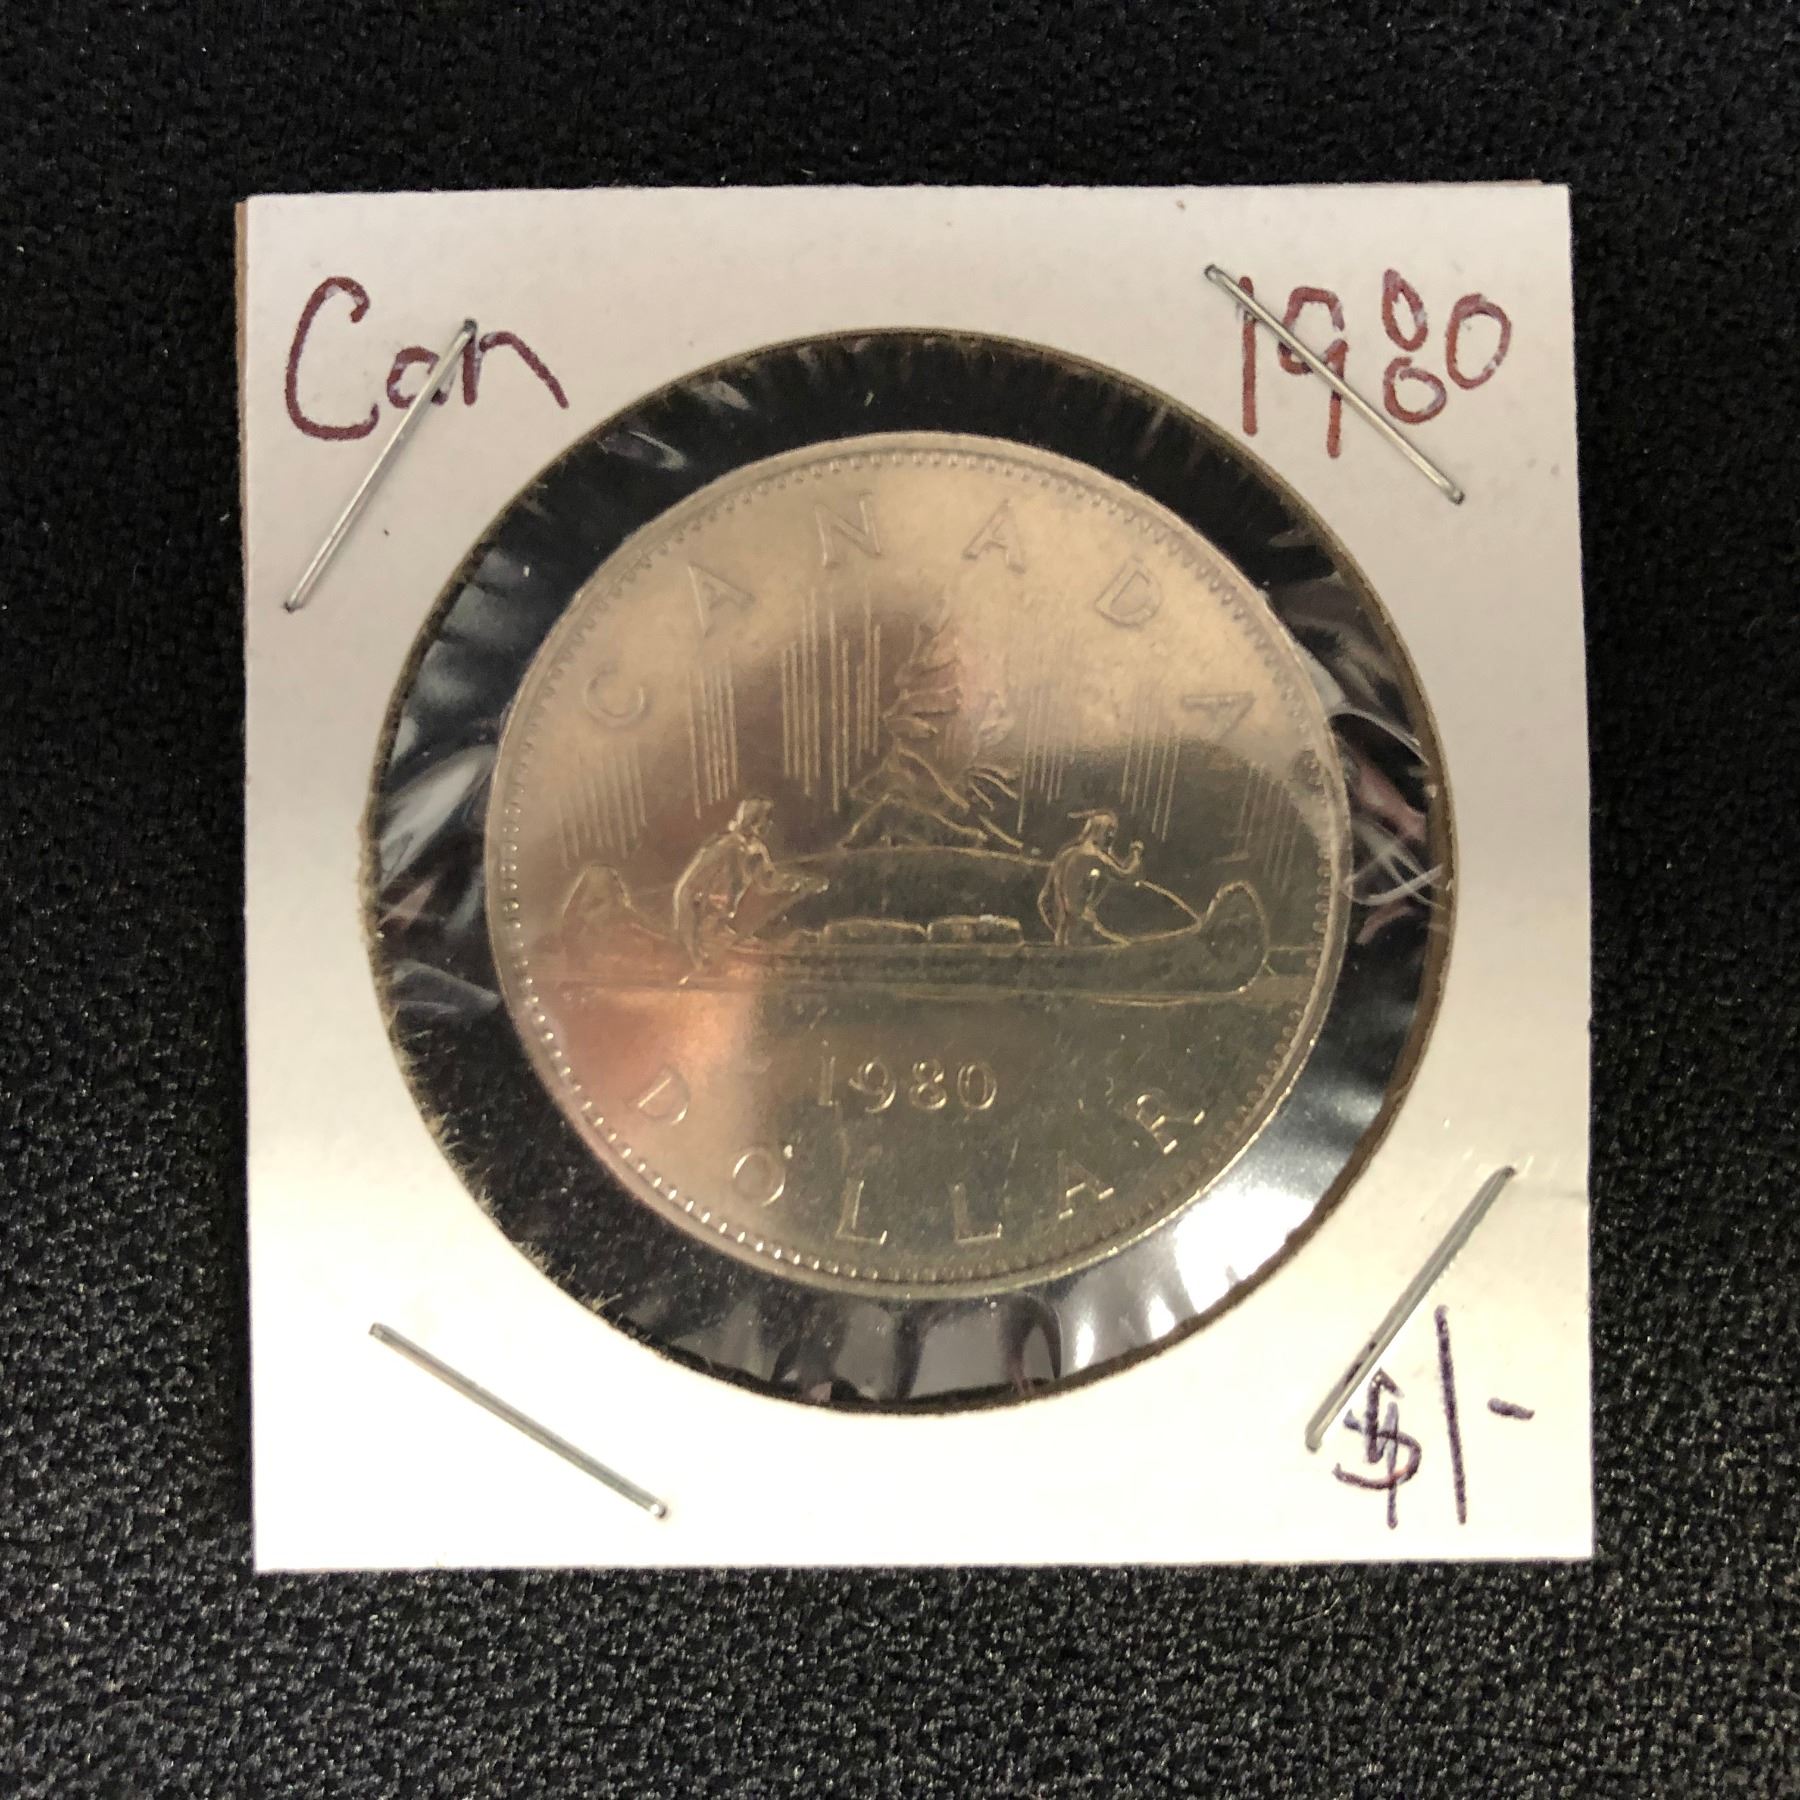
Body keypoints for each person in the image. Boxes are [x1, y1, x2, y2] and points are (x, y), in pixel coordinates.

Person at [671, 798, 816, 966]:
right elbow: (689, 889)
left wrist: (800, 883)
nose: (770, 824)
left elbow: (768, 881)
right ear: (753, 820)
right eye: (766, 819)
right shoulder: (727, 846)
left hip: (721, 919)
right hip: (700, 916)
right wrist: (693, 947)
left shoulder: (756, 849)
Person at [1037, 809, 1144, 946]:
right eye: (1110, 832)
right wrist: (1136, 853)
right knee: (1125, 946)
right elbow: (1127, 875)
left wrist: (1060, 928)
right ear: (1103, 832)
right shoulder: (1095, 856)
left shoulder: (1066, 854)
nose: (1112, 838)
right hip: (1082, 928)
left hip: (1062, 932)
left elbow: (1044, 900)